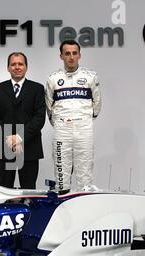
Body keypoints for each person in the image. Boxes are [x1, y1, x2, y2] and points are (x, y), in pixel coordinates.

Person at [45, 39, 102, 194]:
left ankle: (85, 206)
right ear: (61, 56)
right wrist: (60, 123)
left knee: (85, 170)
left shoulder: (91, 77)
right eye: (67, 53)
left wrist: (85, 120)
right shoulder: (53, 78)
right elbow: (49, 107)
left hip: (84, 128)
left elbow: (97, 104)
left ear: (79, 55)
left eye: (74, 53)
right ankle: (62, 202)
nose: (71, 57)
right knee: (61, 170)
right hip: (62, 129)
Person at [0, 52, 46, 189]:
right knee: (3, 189)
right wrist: (9, 138)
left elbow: (39, 118)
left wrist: (19, 137)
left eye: (20, 64)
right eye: (13, 64)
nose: (17, 67)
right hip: (4, 147)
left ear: (26, 67)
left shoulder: (37, 89)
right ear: (8, 68)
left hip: (29, 147)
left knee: (28, 191)